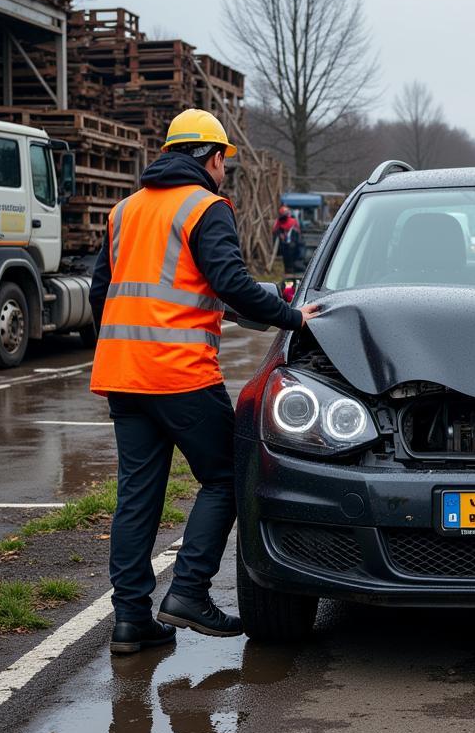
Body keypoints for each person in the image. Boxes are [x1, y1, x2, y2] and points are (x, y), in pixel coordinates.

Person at [89, 108, 321, 655]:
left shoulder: (124, 211)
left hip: (124, 375)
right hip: (180, 374)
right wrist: (292, 316)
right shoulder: (205, 206)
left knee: (136, 497)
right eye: (224, 162)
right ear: (212, 158)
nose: (224, 172)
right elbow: (231, 281)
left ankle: (130, 622)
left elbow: (104, 294)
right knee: (224, 477)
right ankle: (189, 592)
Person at [272, 204, 302, 274]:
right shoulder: (278, 222)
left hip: (293, 245)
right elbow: (274, 230)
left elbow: (297, 233)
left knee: (292, 258)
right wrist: (280, 234)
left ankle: (291, 270)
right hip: (284, 245)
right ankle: (288, 271)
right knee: (286, 259)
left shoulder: (292, 221)